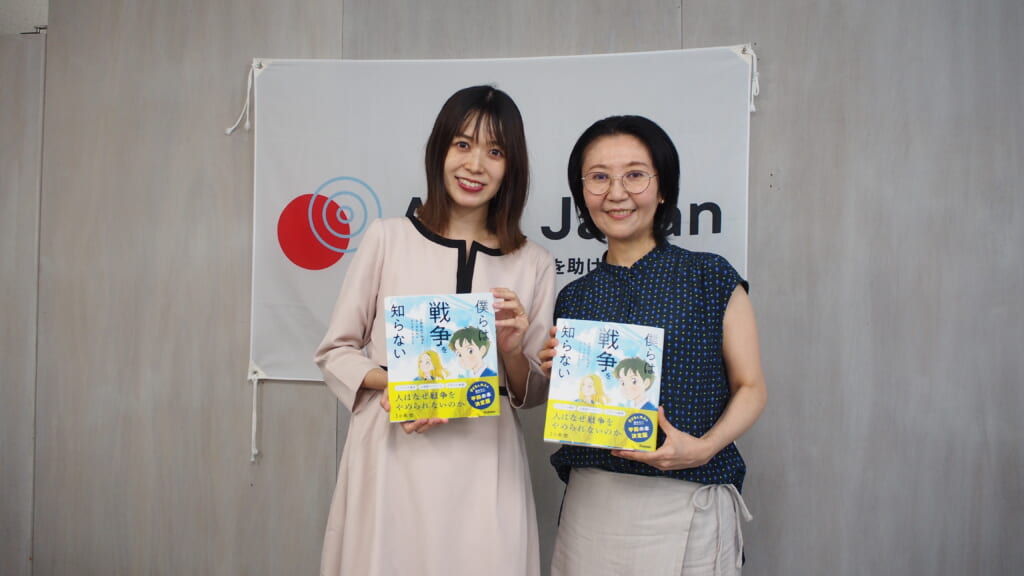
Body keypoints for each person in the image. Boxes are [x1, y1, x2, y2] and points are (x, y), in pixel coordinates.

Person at [315, 85, 554, 576]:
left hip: (486, 460)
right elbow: (335, 351)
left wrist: (511, 350)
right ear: (439, 149)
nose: (475, 165)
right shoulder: (387, 238)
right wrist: (401, 383)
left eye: (495, 152)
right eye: (462, 144)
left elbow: (532, 393)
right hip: (393, 451)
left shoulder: (534, 262)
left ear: (512, 166)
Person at [539, 115, 767, 575]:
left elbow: (752, 387)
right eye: (599, 177)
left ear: (662, 188)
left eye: (635, 175)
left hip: (687, 498)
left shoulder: (710, 276)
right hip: (592, 506)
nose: (616, 192)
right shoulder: (574, 297)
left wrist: (704, 448)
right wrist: (554, 373)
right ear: (582, 192)